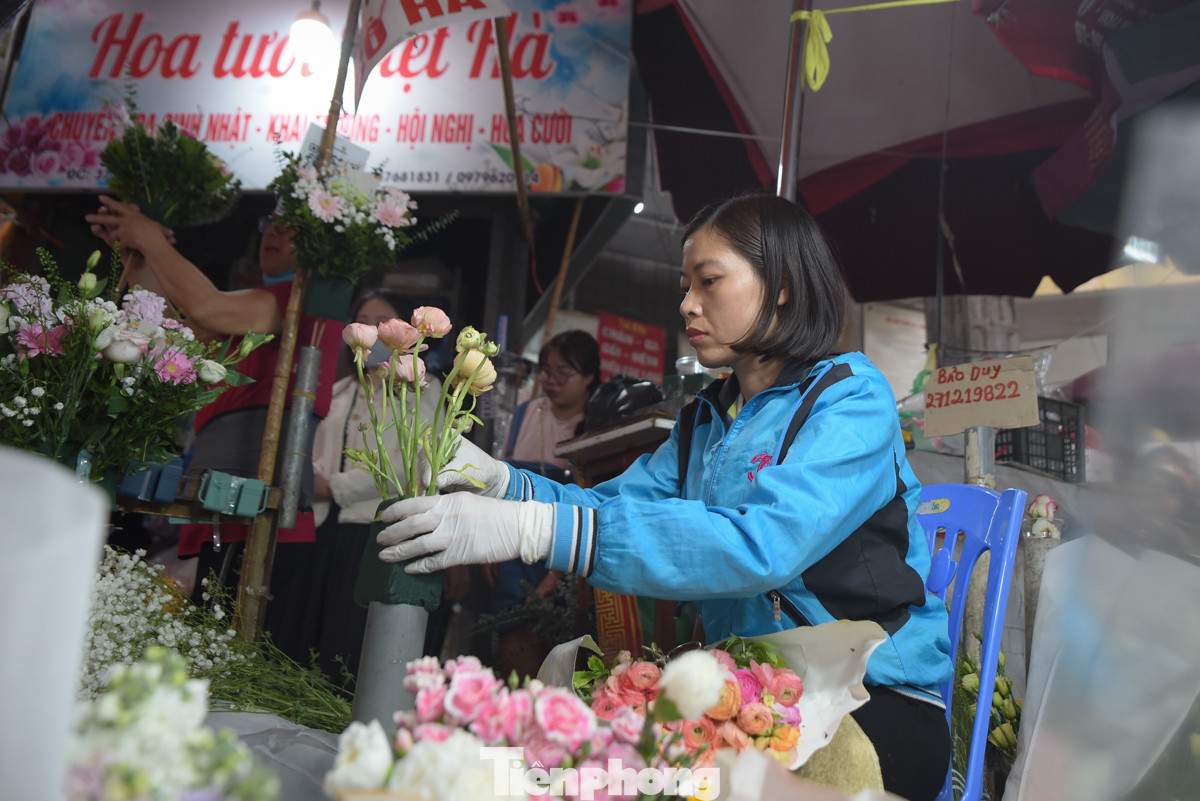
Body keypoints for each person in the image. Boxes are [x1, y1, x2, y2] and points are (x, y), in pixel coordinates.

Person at [372, 193, 953, 801]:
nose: (687, 304)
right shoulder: (705, 420)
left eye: (709, 281)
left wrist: (533, 530)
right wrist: (503, 486)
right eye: (685, 284)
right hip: (757, 695)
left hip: (872, 702)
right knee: (565, 764)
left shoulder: (848, 398)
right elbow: (610, 507)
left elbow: (765, 547)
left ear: (781, 284)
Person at [85, 196, 345, 662]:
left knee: (231, 662)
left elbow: (203, 307)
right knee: (213, 654)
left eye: (290, 228)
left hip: (261, 516)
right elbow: (174, 324)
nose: (273, 233)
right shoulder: (251, 309)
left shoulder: (293, 306)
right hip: (224, 511)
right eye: (271, 223)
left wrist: (149, 236)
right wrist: (140, 257)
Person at [307, 287, 462, 688]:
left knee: (351, 645)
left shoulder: (419, 394)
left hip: (375, 530)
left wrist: (335, 486)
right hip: (324, 529)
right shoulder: (341, 392)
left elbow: (411, 464)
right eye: (365, 322)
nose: (373, 333)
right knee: (314, 635)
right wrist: (315, 480)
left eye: (383, 324)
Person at [488, 330, 599, 679]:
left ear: (590, 377)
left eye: (563, 373)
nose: (551, 381)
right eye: (546, 371)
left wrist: (556, 574)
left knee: (561, 645)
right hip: (513, 549)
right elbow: (499, 482)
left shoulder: (596, 425)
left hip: (565, 548)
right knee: (514, 636)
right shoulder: (524, 415)